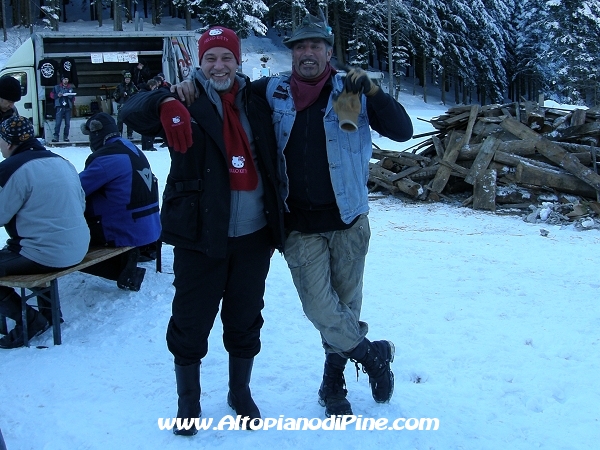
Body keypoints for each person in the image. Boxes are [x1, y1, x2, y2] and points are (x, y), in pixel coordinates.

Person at [173, 12, 414, 418]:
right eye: (299, 46)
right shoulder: (273, 92)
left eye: (315, 45)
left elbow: (403, 131)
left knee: (346, 306)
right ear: (292, 53)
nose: (307, 53)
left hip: (349, 220)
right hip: (299, 224)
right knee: (321, 307)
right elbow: (225, 88)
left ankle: (332, 385)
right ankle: (372, 354)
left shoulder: (348, 90)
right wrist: (179, 89)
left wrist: (374, 91)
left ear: (328, 51)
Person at [120, 26, 284, 435]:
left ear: (237, 60)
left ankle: (239, 392)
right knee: (191, 320)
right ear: (199, 61)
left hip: (253, 235)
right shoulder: (184, 98)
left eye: (226, 57)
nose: (218, 65)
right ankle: (188, 401)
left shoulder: (257, 100)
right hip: (200, 235)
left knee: (245, 317)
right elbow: (129, 109)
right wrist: (164, 102)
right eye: (210, 58)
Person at [0, 116, 90, 349]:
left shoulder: (11, 168)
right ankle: (50, 313)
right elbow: (81, 205)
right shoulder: (62, 161)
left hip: (46, 253)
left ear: (9, 143)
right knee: (34, 244)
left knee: (31, 248)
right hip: (79, 247)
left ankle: (29, 320)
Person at [79, 112, 161, 291]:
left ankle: (119, 269)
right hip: (148, 226)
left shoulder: (105, 158)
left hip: (124, 229)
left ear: (96, 134)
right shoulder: (130, 147)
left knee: (68, 243)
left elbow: (76, 190)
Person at [50, 75, 76, 142]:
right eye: (64, 79)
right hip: (60, 107)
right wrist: (57, 95)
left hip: (68, 107)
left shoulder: (70, 88)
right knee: (58, 123)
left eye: (67, 79)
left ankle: (66, 137)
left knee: (67, 124)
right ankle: (56, 137)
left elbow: (73, 99)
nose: (66, 81)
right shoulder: (56, 87)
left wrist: (71, 96)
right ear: (62, 80)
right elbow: (51, 95)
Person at [113, 71, 138, 139]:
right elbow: (114, 94)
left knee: (129, 120)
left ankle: (129, 134)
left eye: (128, 79)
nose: (127, 80)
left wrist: (130, 95)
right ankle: (119, 133)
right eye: (126, 79)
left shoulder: (133, 86)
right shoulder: (120, 86)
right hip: (121, 104)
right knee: (120, 120)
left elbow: (137, 94)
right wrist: (120, 95)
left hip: (130, 104)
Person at [136, 79, 159, 151]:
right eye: (154, 87)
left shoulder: (142, 91)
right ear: (151, 86)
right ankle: (149, 146)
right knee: (149, 128)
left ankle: (145, 146)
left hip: (142, 112)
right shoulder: (146, 93)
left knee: (145, 129)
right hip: (145, 112)